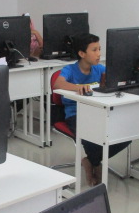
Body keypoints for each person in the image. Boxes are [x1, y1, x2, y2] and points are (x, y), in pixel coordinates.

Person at [52, 33, 130, 186]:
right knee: (91, 138)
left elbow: (114, 78)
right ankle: (95, 164)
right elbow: (57, 84)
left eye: (99, 49)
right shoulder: (70, 70)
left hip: (98, 112)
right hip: (76, 114)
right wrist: (78, 87)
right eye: (94, 50)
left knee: (125, 135)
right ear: (82, 54)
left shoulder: (99, 69)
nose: (99, 53)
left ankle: (91, 161)